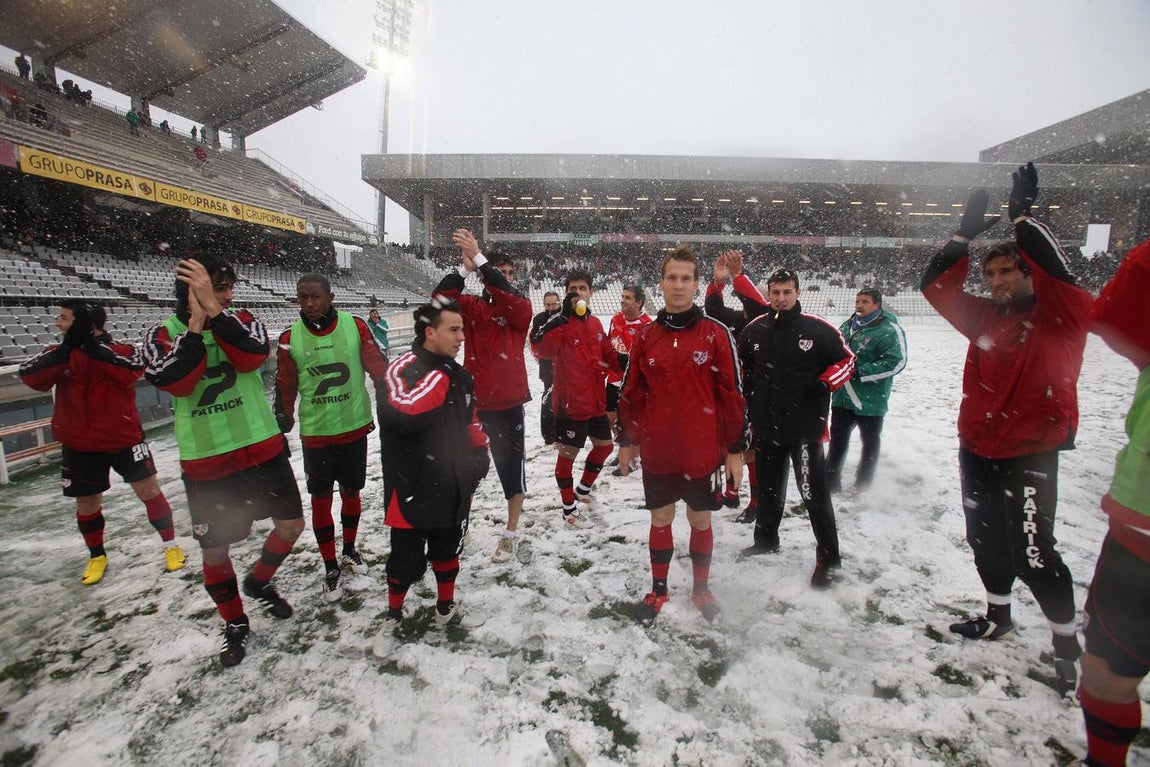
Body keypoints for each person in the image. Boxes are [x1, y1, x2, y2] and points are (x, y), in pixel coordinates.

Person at [920, 163, 1092, 694]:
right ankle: (998, 615)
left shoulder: (1060, 315)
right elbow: (934, 287)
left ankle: (1067, 647)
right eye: (989, 275)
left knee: (1033, 553)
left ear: (1028, 273)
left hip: (1031, 453)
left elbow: (1058, 273)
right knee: (985, 541)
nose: (995, 282)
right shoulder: (984, 319)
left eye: (1006, 273)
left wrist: (1024, 219)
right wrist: (961, 236)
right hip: (978, 448)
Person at [143, 256, 305, 667]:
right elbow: (176, 382)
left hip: (261, 448)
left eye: (230, 287)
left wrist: (215, 312)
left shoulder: (242, 319)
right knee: (215, 551)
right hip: (208, 462)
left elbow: (252, 358)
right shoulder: (162, 334)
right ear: (190, 290)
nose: (230, 295)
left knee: (290, 526)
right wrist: (197, 327)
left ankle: (259, 582)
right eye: (220, 287)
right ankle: (235, 623)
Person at [619, 246, 745, 626]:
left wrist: (736, 449)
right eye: (671, 278)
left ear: (695, 284)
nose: (678, 285)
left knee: (700, 520)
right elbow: (631, 392)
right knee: (660, 520)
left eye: (685, 278)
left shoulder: (716, 334)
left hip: (701, 450)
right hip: (658, 450)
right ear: (661, 284)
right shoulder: (645, 337)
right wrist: (627, 440)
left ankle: (700, 589)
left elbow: (732, 394)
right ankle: (659, 589)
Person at [19, 300, 185, 585]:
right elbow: (31, 377)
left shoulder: (120, 350)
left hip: (124, 438)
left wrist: (92, 348)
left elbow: (131, 370)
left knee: (149, 490)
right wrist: (67, 349)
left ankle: (170, 545)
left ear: (86, 323)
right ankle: (97, 556)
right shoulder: (59, 354)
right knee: (87, 504)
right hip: (79, 444)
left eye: (64, 318)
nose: (58, 324)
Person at [371, 300, 489, 656]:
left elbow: (471, 422)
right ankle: (392, 616)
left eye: (462, 330)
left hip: (452, 482)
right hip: (411, 484)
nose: (461, 338)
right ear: (429, 332)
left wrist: (477, 459)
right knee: (404, 561)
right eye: (453, 330)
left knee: (447, 551)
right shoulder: (401, 369)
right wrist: (439, 374)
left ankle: (445, 608)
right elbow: (405, 414)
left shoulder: (459, 375)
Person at [1076, 236, 1150, 767]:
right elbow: (1111, 315)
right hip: (1140, 526)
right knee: (1107, 668)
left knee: (1108, 668)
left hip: (1139, 525)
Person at [273, 274, 388, 602]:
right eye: (302, 297)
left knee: (352, 493)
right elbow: (285, 386)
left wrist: (390, 394)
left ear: (330, 296)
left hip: (354, 427)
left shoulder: (356, 326)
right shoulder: (288, 338)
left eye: (315, 297)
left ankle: (350, 549)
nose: (309, 303)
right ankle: (329, 564)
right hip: (317, 434)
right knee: (320, 499)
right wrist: (282, 423)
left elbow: (377, 365)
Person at [738, 268, 855, 589]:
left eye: (787, 292)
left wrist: (824, 383)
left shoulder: (818, 329)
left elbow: (846, 361)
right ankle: (766, 540)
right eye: (775, 293)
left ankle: (829, 559)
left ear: (798, 292)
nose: (781, 299)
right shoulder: (755, 330)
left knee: (813, 496)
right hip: (766, 428)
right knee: (768, 490)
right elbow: (742, 368)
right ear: (769, 293)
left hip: (805, 431)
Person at [432, 230, 532, 563]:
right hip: (473, 404)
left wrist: (482, 261)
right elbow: (437, 301)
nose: (501, 279)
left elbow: (507, 295)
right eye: (496, 272)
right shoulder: (472, 307)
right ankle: (462, 522)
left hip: (508, 403)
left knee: (510, 469)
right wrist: (464, 269)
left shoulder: (520, 307)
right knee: (464, 469)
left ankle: (511, 531)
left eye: (506, 273)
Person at [531, 270, 622, 527]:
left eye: (583, 288)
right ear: (567, 293)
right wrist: (555, 323)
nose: (578, 293)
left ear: (591, 292)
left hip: (595, 401)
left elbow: (607, 354)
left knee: (605, 447)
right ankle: (568, 510)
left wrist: (626, 362)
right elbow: (542, 351)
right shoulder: (561, 323)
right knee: (567, 458)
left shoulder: (595, 324)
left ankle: (582, 490)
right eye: (573, 289)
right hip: (571, 405)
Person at [705, 250, 769, 521]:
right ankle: (730, 491)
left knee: (750, 450)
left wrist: (737, 276)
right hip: (730, 393)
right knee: (725, 442)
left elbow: (756, 305)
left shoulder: (765, 318)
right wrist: (717, 283)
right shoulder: (738, 319)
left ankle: (756, 501)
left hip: (756, 395)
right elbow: (714, 311)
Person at [824, 288, 907, 492]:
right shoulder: (846, 326)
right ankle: (831, 480)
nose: (859, 305)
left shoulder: (889, 329)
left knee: (869, 442)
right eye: (858, 301)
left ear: (877, 304)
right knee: (838, 439)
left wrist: (861, 372)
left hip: (871, 400)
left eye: (865, 302)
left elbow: (897, 362)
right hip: (843, 396)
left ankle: (863, 483)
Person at [606, 283, 653, 477]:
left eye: (628, 297)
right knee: (611, 415)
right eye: (622, 296)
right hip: (614, 377)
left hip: (634, 381)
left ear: (639, 302)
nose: (622, 300)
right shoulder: (616, 319)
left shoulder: (647, 325)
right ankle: (622, 449)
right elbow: (609, 342)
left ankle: (633, 460)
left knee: (632, 421)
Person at [530, 291, 562, 445]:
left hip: (565, 365)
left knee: (564, 400)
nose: (551, 307)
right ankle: (549, 436)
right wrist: (544, 358)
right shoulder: (539, 319)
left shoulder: (564, 317)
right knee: (548, 399)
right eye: (548, 304)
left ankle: (563, 433)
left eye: (554, 304)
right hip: (548, 366)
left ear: (559, 303)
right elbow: (534, 343)